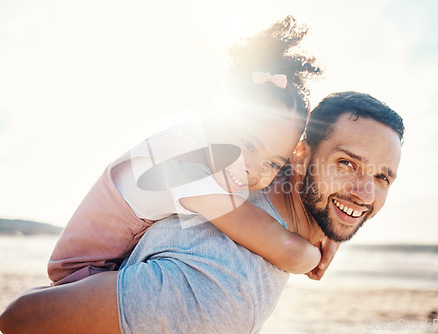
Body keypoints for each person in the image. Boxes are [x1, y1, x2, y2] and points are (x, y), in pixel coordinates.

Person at [0, 91, 405, 333]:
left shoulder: (260, 169)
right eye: (347, 164)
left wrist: (331, 232)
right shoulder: (222, 294)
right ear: (302, 155)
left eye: (383, 177)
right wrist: (316, 246)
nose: (365, 192)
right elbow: (21, 320)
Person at [47, 15, 333, 287]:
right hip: (83, 276)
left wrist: (330, 231)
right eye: (248, 146)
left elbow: (295, 178)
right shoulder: (184, 168)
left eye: (272, 163)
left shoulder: (220, 145)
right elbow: (287, 252)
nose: (254, 170)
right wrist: (314, 254)